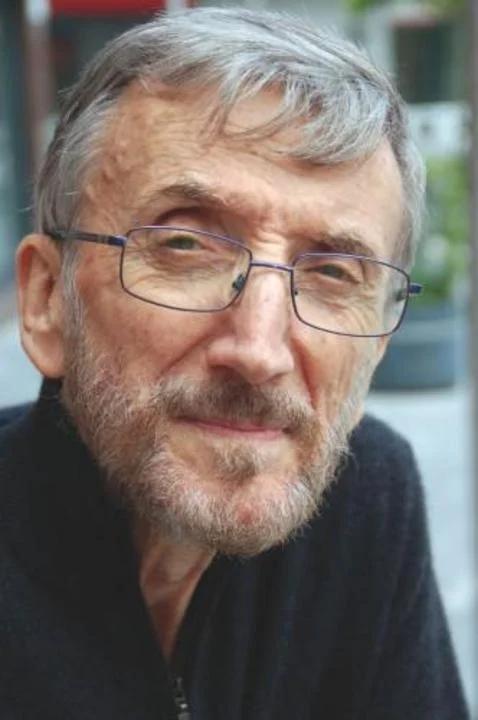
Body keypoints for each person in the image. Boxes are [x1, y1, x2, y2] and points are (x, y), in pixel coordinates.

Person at [0, 7, 469, 719]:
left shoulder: (367, 495)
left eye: (333, 272)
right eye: (184, 245)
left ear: (375, 347)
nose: (258, 351)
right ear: (45, 301)